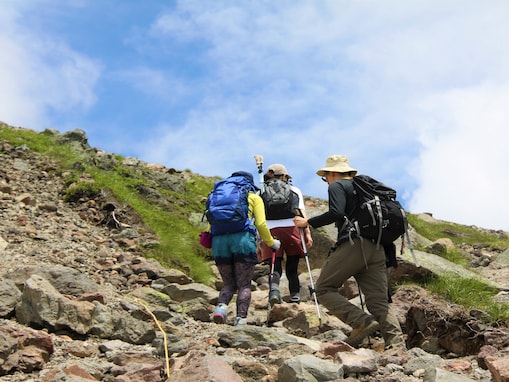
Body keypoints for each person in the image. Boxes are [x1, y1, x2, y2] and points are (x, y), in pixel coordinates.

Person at [293, 155, 405, 349]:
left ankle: (361, 320)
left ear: (333, 173)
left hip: (355, 244)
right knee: (379, 302)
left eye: (326, 176)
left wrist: (307, 222)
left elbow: (336, 213)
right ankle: (397, 347)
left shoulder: (337, 186)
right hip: (378, 248)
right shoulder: (365, 189)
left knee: (323, 289)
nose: (326, 180)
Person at [211, 171, 281, 326]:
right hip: (242, 241)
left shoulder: (217, 196)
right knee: (244, 284)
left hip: (219, 242)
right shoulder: (254, 197)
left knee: (228, 284)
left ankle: (220, 309)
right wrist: (271, 243)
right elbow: (261, 224)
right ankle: (240, 319)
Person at [259, 164, 312, 304]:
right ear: (284, 176)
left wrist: (259, 240)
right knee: (292, 266)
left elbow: (258, 218)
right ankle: (295, 295)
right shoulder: (294, 190)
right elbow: (301, 214)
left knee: (274, 264)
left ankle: (274, 291)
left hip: (270, 230)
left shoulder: (261, 191)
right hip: (292, 228)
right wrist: (307, 233)